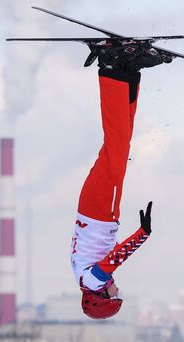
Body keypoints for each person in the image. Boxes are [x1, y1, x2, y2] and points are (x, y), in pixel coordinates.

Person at [70, 41, 168, 319]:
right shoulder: (85, 277)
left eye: (114, 296)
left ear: (100, 298)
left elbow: (114, 260)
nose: (116, 290)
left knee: (116, 144)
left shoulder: (91, 283)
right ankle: (129, 73)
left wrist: (142, 235)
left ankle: (111, 68)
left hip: (99, 209)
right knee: (121, 144)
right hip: (99, 209)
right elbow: (109, 256)